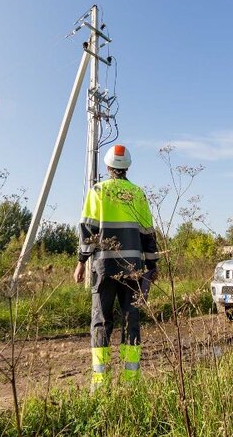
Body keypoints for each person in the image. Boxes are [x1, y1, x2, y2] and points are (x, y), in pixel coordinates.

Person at [74, 144, 158, 390]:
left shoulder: (98, 190)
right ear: (127, 166)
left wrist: (81, 261)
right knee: (131, 318)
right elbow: (147, 233)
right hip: (133, 269)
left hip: (103, 268)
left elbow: (88, 229)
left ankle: (100, 384)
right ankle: (131, 382)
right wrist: (152, 265)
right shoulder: (138, 193)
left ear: (108, 167)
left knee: (101, 320)